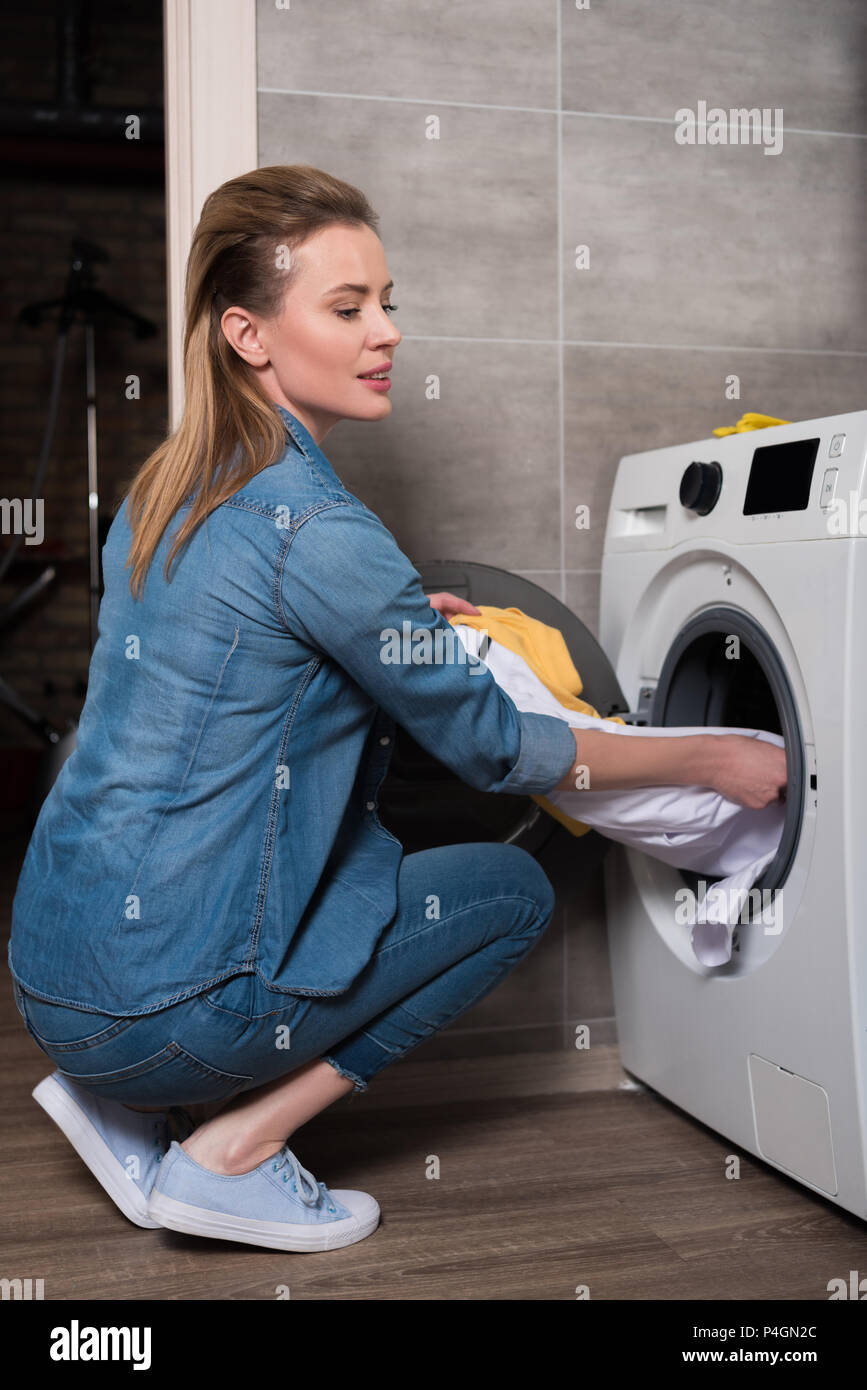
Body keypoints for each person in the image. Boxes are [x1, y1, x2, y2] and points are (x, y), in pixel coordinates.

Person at [7, 164, 787, 1254]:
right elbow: (498, 747)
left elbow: (239, 646)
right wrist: (709, 762)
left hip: (52, 977)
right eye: (347, 307)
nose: (387, 332)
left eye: (388, 301)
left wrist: (392, 616)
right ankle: (227, 1151)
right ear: (249, 333)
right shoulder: (324, 532)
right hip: (162, 1007)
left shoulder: (168, 493)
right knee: (510, 891)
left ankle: (124, 1096)